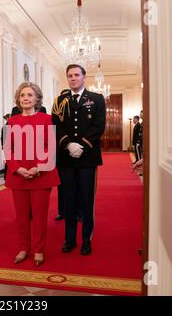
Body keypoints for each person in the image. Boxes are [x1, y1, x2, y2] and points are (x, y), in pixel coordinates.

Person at [52, 64, 106, 256]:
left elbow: (99, 126)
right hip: (67, 158)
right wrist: (68, 144)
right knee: (69, 200)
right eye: (69, 75)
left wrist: (81, 145)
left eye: (76, 75)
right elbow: (56, 126)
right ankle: (69, 239)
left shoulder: (96, 99)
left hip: (87, 156)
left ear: (84, 77)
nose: (73, 78)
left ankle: (86, 240)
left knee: (86, 199)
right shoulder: (59, 100)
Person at [4, 82, 60, 267]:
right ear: (18, 100)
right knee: (21, 217)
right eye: (22, 95)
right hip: (18, 175)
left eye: (29, 95)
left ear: (37, 98)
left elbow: (50, 147)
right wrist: (18, 168)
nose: (25, 98)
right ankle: (23, 248)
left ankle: (38, 250)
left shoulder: (46, 119)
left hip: (41, 175)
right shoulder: (11, 121)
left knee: (39, 216)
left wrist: (38, 167)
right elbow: (8, 148)